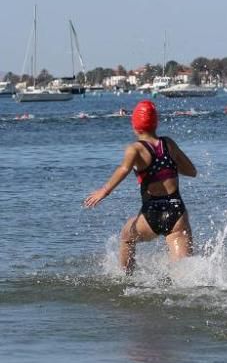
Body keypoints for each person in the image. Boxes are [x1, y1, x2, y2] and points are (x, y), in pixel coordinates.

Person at [83, 100, 197, 273]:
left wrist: (103, 191)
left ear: (135, 125)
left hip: (152, 213)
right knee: (186, 272)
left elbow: (123, 170)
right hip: (177, 211)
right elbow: (191, 171)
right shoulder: (169, 144)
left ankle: (126, 278)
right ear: (155, 123)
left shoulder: (135, 149)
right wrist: (167, 167)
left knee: (127, 237)